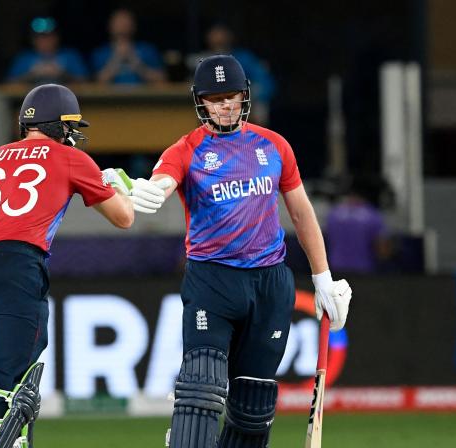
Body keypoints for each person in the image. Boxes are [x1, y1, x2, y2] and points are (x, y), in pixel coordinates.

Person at [0, 83, 165, 448]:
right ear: (57, 124)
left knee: (0, 390)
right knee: (8, 395)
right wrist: (118, 183)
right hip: (18, 266)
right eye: (70, 127)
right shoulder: (69, 158)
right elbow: (125, 218)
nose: (73, 135)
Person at [140, 55, 352, 447]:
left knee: (253, 408)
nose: (225, 106)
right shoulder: (185, 150)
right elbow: (163, 182)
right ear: (200, 102)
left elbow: (302, 212)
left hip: (269, 283)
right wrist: (151, 190)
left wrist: (322, 277)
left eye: (232, 97)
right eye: (215, 98)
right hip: (212, 279)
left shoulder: (273, 146)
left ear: (245, 97)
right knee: (201, 390)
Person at [188, 24, 276, 125]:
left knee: (259, 107)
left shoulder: (244, 58)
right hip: (213, 103)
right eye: (214, 35)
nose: (218, 39)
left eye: (222, 35)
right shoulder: (202, 60)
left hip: (242, 101)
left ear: (229, 37)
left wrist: (247, 97)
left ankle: (256, 137)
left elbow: (266, 84)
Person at [325, 177, 390, 273]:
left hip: (335, 270)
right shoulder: (373, 215)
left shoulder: (333, 214)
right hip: (363, 271)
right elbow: (383, 251)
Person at [91, 8, 166, 85]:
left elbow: (162, 79)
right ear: (110, 26)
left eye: (126, 22)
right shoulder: (101, 52)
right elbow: (96, 83)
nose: (123, 26)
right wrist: (117, 59)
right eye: (119, 22)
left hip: (142, 95)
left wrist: (136, 64)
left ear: (134, 26)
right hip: (112, 96)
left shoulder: (147, 50)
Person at [6, 17, 89, 84]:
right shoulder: (24, 58)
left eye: (49, 36)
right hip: (32, 103)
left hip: (65, 101)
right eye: (40, 37)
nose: (45, 40)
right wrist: (32, 75)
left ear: (57, 37)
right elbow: (9, 84)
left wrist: (63, 74)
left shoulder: (70, 55)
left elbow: (86, 82)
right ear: (33, 40)